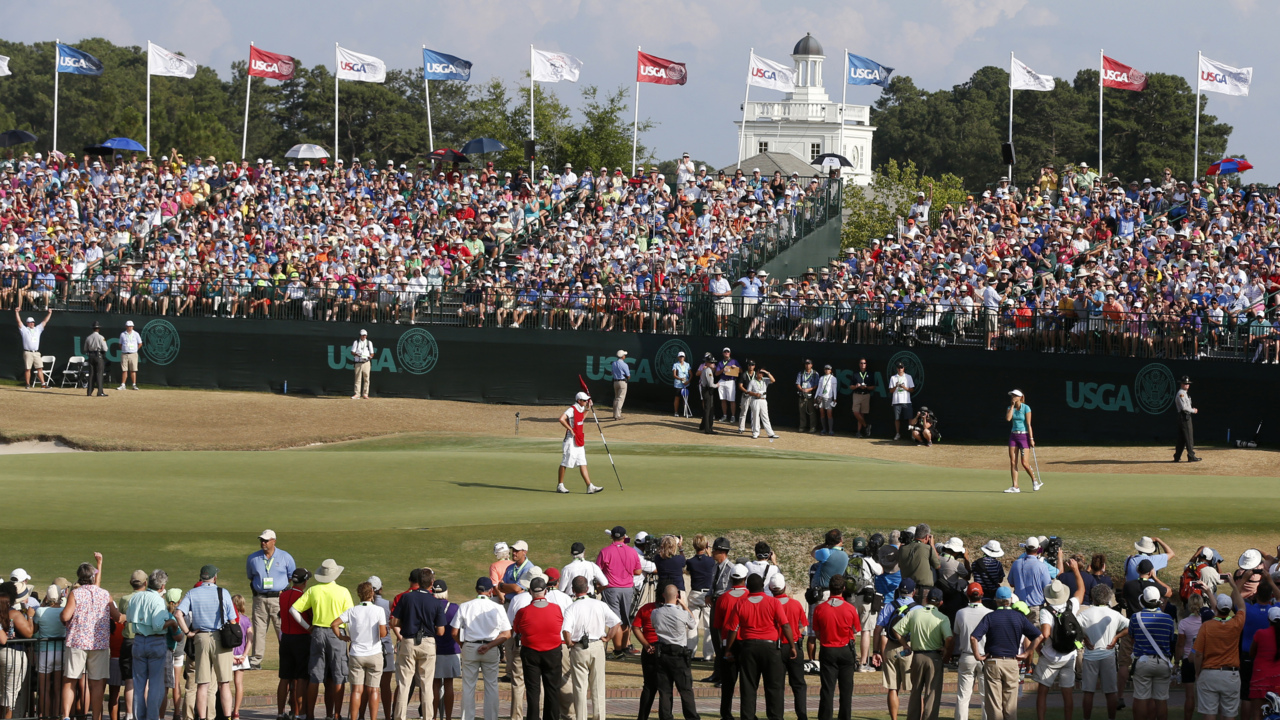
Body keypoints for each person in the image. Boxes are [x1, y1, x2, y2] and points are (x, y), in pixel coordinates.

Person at [289, 559, 355, 720]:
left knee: (315, 676)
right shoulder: (343, 592)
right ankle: (335, 715)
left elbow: (293, 610)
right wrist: (351, 637)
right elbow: (351, 618)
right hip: (337, 633)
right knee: (338, 676)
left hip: (318, 632)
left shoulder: (313, 590)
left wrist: (308, 627)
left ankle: (310, 715)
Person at [724, 573, 795, 720]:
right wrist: (792, 645)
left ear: (748, 587)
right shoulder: (773, 602)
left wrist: (728, 649)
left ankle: (747, 716)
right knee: (774, 686)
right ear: (763, 586)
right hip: (770, 648)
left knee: (748, 686)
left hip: (748, 647)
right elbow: (785, 625)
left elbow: (733, 629)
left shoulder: (741, 603)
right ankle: (775, 717)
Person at [969, 586, 1043, 720]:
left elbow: (974, 637)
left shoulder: (990, 617)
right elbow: (1039, 636)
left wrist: (977, 656)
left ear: (996, 600)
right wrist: (1027, 653)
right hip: (1011, 662)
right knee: (1010, 706)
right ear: (1010, 600)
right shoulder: (1019, 617)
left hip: (993, 661)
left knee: (994, 704)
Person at [172, 564, 235, 720]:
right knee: (224, 683)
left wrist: (188, 632)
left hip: (200, 637)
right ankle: (227, 717)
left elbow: (178, 614)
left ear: (201, 577)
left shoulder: (192, 593)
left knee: (202, 683)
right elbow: (233, 619)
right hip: (220, 637)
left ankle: (201, 718)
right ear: (215, 577)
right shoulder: (223, 592)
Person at [561, 576, 621, 720]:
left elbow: (566, 631)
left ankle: (581, 717)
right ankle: (599, 717)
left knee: (580, 687)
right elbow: (616, 623)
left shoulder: (572, 607)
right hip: (597, 645)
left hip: (579, 647)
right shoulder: (599, 604)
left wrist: (569, 643)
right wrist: (608, 638)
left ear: (573, 590)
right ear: (587, 588)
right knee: (598, 685)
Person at [1034, 562, 1087, 720]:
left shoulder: (1046, 611)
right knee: (1067, 693)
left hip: (1050, 657)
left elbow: (1045, 634)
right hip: (1069, 656)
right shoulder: (1071, 605)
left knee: (1042, 692)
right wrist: (1076, 570)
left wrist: (1037, 648)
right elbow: (1081, 590)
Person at [451, 578, 510, 720]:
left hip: (470, 646)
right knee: (491, 685)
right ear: (491, 591)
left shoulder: (465, 606)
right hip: (491, 647)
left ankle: (467, 718)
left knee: (468, 686)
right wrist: (489, 645)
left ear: (476, 589)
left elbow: (454, 632)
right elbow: (507, 633)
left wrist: (462, 644)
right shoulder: (497, 607)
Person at [895, 587, 954, 720]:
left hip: (917, 656)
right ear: (941, 602)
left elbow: (897, 630)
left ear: (926, 599)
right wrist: (945, 649)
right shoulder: (942, 617)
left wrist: (905, 645)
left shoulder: (914, 613)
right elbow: (949, 638)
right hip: (934, 657)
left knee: (915, 691)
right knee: (932, 693)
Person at [334, 582, 387, 720]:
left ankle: (353, 718)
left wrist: (342, 637)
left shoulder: (352, 611)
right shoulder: (378, 610)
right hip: (374, 653)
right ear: (372, 593)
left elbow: (334, 624)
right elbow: (382, 634)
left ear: (359, 594)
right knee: (374, 689)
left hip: (356, 653)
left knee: (356, 690)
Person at [1196, 576, 1247, 720]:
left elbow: (1198, 654)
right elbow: (1241, 607)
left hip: (1209, 673)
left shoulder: (1207, 626)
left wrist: (1197, 672)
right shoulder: (1236, 623)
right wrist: (1234, 586)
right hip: (1231, 674)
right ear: (1229, 609)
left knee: (1209, 713)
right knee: (1229, 713)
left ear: (1216, 608)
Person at [513, 577, 564, 720]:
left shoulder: (523, 611)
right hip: (552, 651)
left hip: (531, 651)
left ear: (530, 591)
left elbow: (517, 629)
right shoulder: (556, 608)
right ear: (546, 591)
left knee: (533, 690)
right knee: (552, 689)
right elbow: (559, 624)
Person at [810, 575, 860, 720]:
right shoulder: (850, 609)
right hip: (845, 649)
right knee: (846, 690)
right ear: (843, 589)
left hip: (828, 649)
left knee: (827, 689)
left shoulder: (820, 609)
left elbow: (817, 632)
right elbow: (855, 631)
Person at [246, 529, 296, 671]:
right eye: (262, 540)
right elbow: (251, 576)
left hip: (279, 599)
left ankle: (287, 659)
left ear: (274, 541)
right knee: (259, 630)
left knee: (282, 629)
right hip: (260, 599)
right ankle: (256, 660)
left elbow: (291, 576)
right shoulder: (253, 558)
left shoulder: (285, 557)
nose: (263, 543)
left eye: (266, 540)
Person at [1076, 585, 1128, 720]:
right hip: (1108, 655)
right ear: (1108, 598)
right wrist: (1116, 637)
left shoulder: (1085, 614)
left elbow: (1073, 629)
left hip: (1090, 656)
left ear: (1093, 597)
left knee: (1088, 692)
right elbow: (1130, 626)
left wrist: (1084, 638)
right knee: (1111, 692)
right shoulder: (1114, 614)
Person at [126, 570, 172, 720]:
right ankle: (152, 717)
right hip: (155, 642)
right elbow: (158, 626)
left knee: (139, 685)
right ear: (162, 586)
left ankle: (138, 717)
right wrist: (172, 622)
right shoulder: (158, 600)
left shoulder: (136, 597)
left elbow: (129, 618)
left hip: (139, 641)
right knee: (155, 685)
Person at [650, 584, 700, 720]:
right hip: (679, 654)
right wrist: (684, 606)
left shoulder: (656, 612)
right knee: (685, 690)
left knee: (665, 691)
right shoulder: (682, 613)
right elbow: (692, 624)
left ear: (663, 595)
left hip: (663, 653)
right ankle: (691, 717)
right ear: (677, 596)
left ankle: (665, 717)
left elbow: (654, 625)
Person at [874, 579, 919, 720]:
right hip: (909, 648)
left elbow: (878, 629)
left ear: (898, 590)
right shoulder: (918, 608)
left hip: (890, 648)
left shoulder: (889, 606)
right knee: (915, 689)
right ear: (914, 592)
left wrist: (875, 651)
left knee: (893, 688)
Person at [1131, 585, 1176, 720]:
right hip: (1162, 661)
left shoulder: (1135, 617)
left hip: (1143, 660)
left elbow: (1133, 638)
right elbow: (1170, 639)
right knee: (1161, 700)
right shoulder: (1168, 618)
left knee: (1141, 698)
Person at [596, 526, 641, 656]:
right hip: (627, 589)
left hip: (611, 589)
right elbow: (638, 571)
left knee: (615, 620)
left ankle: (618, 650)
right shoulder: (632, 552)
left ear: (612, 536)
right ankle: (625, 647)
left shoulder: (605, 551)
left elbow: (598, 572)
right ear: (624, 537)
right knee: (625, 619)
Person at [953, 583, 991, 720]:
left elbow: (957, 632)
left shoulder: (960, 613)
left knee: (963, 696)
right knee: (986, 696)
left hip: (967, 655)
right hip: (985, 656)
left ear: (967, 595)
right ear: (982, 594)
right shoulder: (989, 613)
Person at [278, 568, 312, 720]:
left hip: (286, 637)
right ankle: (298, 712)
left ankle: (280, 713)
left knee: (284, 677)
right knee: (301, 678)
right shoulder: (303, 596)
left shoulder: (283, 595)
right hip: (301, 638)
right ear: (304, 582)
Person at [0, 581, 34, 719]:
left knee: (4, 694)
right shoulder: (13, 613)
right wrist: (30, 616)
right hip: (13, 654)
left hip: (5, 653)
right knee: (10, 695)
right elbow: (29, 633)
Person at [557, 392, 602, 494]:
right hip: (570, 440)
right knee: (565, 462)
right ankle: (560, 485)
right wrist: (570, 429)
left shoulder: (581, 408)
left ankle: (590, 486)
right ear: (579, 401)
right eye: (584, 400)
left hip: (579, 439)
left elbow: (581, 419)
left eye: (587, 400)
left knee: (582, 462)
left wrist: (588, 409)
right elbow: (561, 419)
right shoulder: (571, 409)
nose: (586, 402)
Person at [1005, 390, 1042, 493]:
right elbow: (1008, 419)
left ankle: (1034, 481)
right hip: (1013, 436)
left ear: (1020, 397)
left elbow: (1029, 424)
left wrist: (1031, 438)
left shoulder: (1026, 408)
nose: (1013, 397)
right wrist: (1012, 406)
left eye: (1015, 395)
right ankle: (1015, 486)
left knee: (1024, 462)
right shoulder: (1010, 408)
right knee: (1013, 462)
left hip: (1024, 436)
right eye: (1012, 395)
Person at [1247, 607, 1280, 712]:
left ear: (1269, 619)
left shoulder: (1260, 633)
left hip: (1260, 677)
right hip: (1277, 679)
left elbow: (1251, 653)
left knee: (1257, 714)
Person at [738, 363, 779, 440]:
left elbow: (773, 380)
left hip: (763, 400)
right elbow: (748, 391)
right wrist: (755, 394)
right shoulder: (752, 381)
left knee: (765, 417)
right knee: (755, 417)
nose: (761, 374)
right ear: (756, 372)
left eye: (762, 373)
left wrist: (767, 372)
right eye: (759, 372)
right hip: (755, 400)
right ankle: (755, 433)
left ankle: (770, 433)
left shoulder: (765, 380)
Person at [897, 524, 941, 595]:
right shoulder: (928, 548)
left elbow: (899, 564)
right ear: (927, 537)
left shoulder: (902, 548)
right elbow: (937, 565)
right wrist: (932, 545)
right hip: (923, 589)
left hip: (906, 587)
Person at [16, 308, 52, 388]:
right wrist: (16, 312)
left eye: (33, 322)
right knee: (28, 369)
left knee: (40, 368)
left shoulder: (38, 329)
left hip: (36, 352)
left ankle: (43, 384)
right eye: (30, 322)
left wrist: (49, 313)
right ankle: (27, 384)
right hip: (28, 352)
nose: (32, 323)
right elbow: (19, 322)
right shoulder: (24, 330)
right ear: (27, 323)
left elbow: (45, 321)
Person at [1174, 376, 1201, 462]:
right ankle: (1191, 456)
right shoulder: (1181, 393)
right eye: (1185, 383)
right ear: (1181, 384)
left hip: (1184, 416)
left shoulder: (1184, 393)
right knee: (1189, 437)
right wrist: (1193, 410)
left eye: (1188, 383)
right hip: (1184, 416)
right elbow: (1184, 407)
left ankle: (1177, 456)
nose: (1187, 385)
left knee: (1182, 438)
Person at [889, 362, 915, 441]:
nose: (900, 369)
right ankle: (897, 434)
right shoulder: (893, 378)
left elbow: (912, 389)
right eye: (899, 367)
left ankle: (913, 434)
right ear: (897, 369)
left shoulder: (908, 377)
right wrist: (896, 386)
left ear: (904, 368)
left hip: (906, 401)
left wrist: (904, 387)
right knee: (897, 419)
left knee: (910, 418)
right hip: (896, 401)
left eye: (901, 367)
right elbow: (891, 391)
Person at [849, 358, 873, 438]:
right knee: (856, 412)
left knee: (862, 414)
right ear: (859, 364)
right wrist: (856, 386)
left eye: (864, 363)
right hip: (857, 394)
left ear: (866, 364)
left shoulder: (870, 374)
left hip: (866, 395)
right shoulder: (855, 374)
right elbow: (851, 386)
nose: (863, 365)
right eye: (861, 363)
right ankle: (866, 426)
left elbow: (873, 387)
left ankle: (859, 432)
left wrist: (866, 387)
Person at [715, 348, 740, 423]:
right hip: (722, 380)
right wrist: (723, 370)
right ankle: (724, 415)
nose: (726, 353)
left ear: (730, 353)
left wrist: (735, 368)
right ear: (723, 353)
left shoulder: (734, 361)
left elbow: (741, 371)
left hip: (731, 381)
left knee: (732, 400)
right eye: (725, 352)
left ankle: (733, 416)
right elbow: (716, 373)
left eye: (727, 352)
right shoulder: (720, 362)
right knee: (723, 399)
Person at [117, 320, 142, 391]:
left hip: (133, 354)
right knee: (124, 370)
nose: (130, 327)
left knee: (133, 370)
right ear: (126, 327)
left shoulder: (136, 334)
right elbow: (120, 344)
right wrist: (124, 349)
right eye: (129, 326)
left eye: (131, 326)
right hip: (124, 354)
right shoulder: (122, 334)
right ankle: (123, 385)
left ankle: (134, 385)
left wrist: (135, 350)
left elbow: (140, 343)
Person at [85, 321, 108, 396]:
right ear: (98, 329)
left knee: (91, 374)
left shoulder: (88, 337)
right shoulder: (101, 337)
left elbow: (85, 349)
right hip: (98, 355)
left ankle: (89, 392)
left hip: (90, 356)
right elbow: (105, 348)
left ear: (93, 329)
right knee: (99, 373)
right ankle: (100, 392)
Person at [796, 359, 819, 434]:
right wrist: (801, 389)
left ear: (811, 365)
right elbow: (797, 383)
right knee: (802, 411)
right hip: (802, 395)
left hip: (811, 395)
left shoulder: (815, 373)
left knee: (811, 412)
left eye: (809, 364)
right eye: (806, 364)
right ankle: (802, 426)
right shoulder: (801, 373)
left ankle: (812, 427)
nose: (807, 365)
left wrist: (809, 389)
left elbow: (816, 385)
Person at [697, 353, 718, 434]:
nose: (713, 364)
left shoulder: (705, 370)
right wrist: (717, 385)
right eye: (712, 362)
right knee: (709, 410)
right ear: (707, 363)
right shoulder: (708, 370)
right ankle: (708, 428)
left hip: (705, 390)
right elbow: (710, 384)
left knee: (707, 409)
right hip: (707, 391)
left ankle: (703, 426)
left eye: (713, 362)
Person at [816, 364, 838, 436]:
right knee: (822, 413)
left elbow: (834, 389)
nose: (827, 370)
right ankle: (824, 429)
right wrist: (815, 397)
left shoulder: (833, 378)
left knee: (829, 414)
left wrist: (835, 398)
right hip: (821, 397)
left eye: (828, 369)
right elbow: (819, 388)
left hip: (829, 398)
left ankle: (830, 430)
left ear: (831, 370)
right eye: (825, 369)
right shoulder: (821, 378)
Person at [352, 329, 375, 399]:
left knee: (366, 378)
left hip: (366, 362)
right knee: (357, 379)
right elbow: (352, 352)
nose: (364, 336)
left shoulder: (369, 342)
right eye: (363, 335)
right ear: (360, 335)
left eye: (365, 335)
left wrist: (369, 358)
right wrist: (358, 355)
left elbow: (372, 353)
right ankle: (357, 394)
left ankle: (365, 394)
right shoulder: (356, 342)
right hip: (358, 362)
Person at [611, 350, 630, 420]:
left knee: (616, 398)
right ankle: (617, 415)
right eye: (624, 355)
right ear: (622, 356)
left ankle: (615, 414)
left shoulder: (614, 363)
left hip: (615, 382)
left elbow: (612, 372)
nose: (625, 356)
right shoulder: (624, 364)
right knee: (620, 399)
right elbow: (628, 376)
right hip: (622, 382)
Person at [672, 352, 691, 418]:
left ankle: (685, 412)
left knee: (685, 398)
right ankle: (676, 412)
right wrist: (680, 379)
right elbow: (674, 375)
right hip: (678, 384)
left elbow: (691, 374)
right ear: (678, 357)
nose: (681, 358)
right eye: (680, 357)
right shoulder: (675, 365)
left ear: (684, 357)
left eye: (682, 356)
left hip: (686, 384)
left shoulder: (687, 364)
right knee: (677, 398)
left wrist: (688, 381)